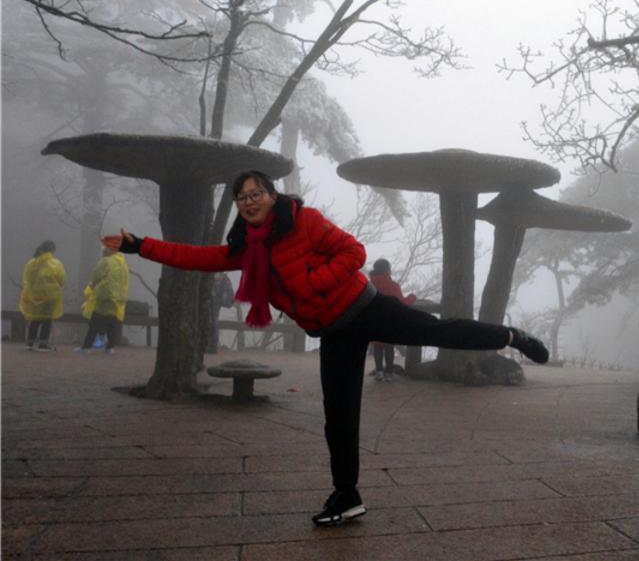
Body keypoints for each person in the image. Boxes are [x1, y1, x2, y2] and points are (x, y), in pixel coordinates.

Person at [102, 170, 548, 527]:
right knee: (339, 417)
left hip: (367, 308)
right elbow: (197, 257)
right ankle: (347, 496)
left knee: (440, 331)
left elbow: (354, 252)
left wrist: (314, 284)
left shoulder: (306, 220)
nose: (250, 201)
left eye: (256, 192)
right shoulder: (246, 249)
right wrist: (141, 247)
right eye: (243, 197)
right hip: (334, 333)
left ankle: (510, 337)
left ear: (273, 196)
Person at [368, 258, 416, 381]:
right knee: (389, 347)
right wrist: (412, 297)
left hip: (374, 321)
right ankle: (389, 373)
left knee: (377, 347)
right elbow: (402, 303)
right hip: (389, 321)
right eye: (389, 269)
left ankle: (379, 372)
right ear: (386, 270)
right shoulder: (393, 286)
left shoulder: (369, 285)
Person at [76, 246, 129, 354]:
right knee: (112, 322)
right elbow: (126, 281)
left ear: (110, 251)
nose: (103, 252)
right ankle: (110, 348)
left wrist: (91, 287)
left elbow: (96, 276)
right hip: (117, 297)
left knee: (95, 321)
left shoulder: (105, 261)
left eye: (105, 250)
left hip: (103, 295)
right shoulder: (123, 264)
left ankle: (86, 347)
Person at [19, 240, 66, 352]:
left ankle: (29, 342)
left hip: (34, 296)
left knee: (35, 318)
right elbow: (62, 279)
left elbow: (26, 279)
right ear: (52, 250)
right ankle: (43, 343)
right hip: (50, 296)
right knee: (47, 319)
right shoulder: (56, 263)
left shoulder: (31, 263)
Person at [208, 272, 235, 353]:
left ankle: (212, 347)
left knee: (213, 322)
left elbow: (228, 299)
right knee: (212, 322)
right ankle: (211, 346)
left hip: (215, 303)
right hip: (212, 303)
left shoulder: (225, 281)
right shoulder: (224, 281)